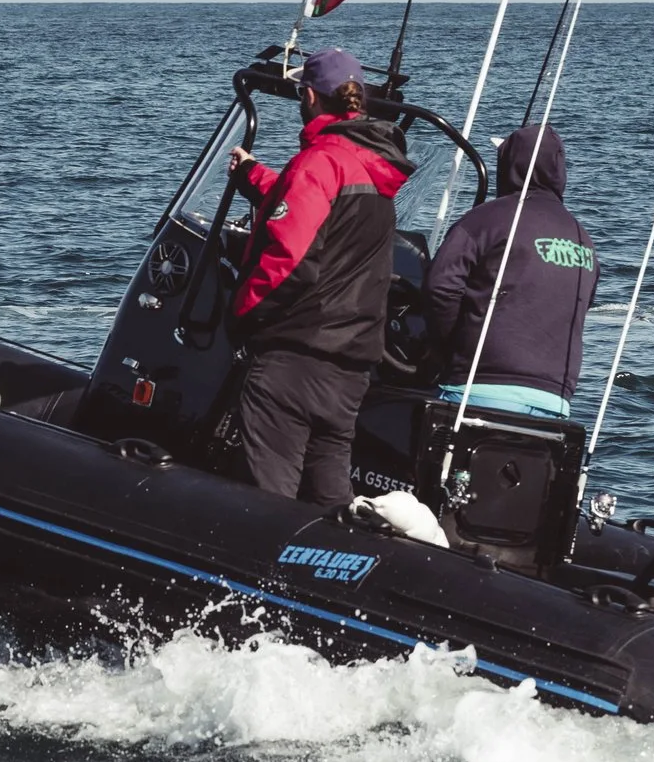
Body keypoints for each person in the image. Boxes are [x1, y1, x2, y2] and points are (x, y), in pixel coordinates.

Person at [226, 46, 412, 502]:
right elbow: (321, 209)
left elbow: (290, 257)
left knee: (267, 494)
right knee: (329, 486)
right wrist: (254, 176)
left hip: (297, 355)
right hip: (350, 363)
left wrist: (242, 312)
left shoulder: (319, 162)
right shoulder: (373, 167)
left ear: (309, 96)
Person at [423, 123, 598, 409]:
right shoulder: (583, 238)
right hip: (554, 399)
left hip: (479, 384)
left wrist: (448, 348)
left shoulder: (486, 219)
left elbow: (440, 287)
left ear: (510, 165)